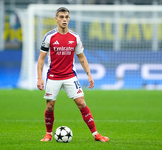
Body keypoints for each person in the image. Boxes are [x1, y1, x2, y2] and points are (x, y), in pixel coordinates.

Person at [37, 7, 109, 142]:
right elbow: (41, 58)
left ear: (69, 19)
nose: (64, 19)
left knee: (81, 102)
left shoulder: (74, 37)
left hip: (70, 75)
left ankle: (96, 134)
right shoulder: (49, 36)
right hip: (53, 76)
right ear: (56, 19)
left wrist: (89, 75)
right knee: (50, 106)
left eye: (66, 17)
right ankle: (48, 134)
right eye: (61, 17)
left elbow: (81, 57)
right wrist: (40, 77)